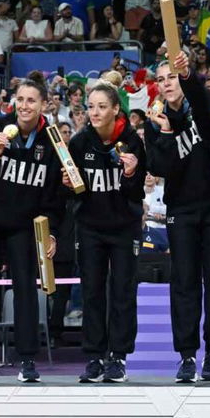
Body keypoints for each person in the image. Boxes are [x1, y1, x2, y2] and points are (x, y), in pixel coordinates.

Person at [0, 78, 62, 384]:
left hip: (24, 225)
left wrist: (51, 231)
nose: (24, 105)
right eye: (20, 99)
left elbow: (55, 191)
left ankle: (28, 360)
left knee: (26, 292)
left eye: (32, 100)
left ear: (43, 104)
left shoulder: (51, 139)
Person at [145, 51, 210, 383]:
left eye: (171, 76)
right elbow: (158, 167)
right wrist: (167, 134)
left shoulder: (203, 105)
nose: (166, 83)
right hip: (180, 209)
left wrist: (187, 73)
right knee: (183, 283)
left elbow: (198, 93)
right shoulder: (156, 122)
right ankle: (186, 355)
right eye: (160, 78)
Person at [66, 81, 146, 384]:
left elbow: (136, 191)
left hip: (125, 226)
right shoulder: (79, 142)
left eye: (102, 106)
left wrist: (130, 173)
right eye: (91, 106)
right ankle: (95, 356)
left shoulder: (132, 141)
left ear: (116, 109)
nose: (95, 112)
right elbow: (75, 191)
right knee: (92, 292)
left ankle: (118, 357)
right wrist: (68, 184)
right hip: (90, 227)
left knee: (123, 292)